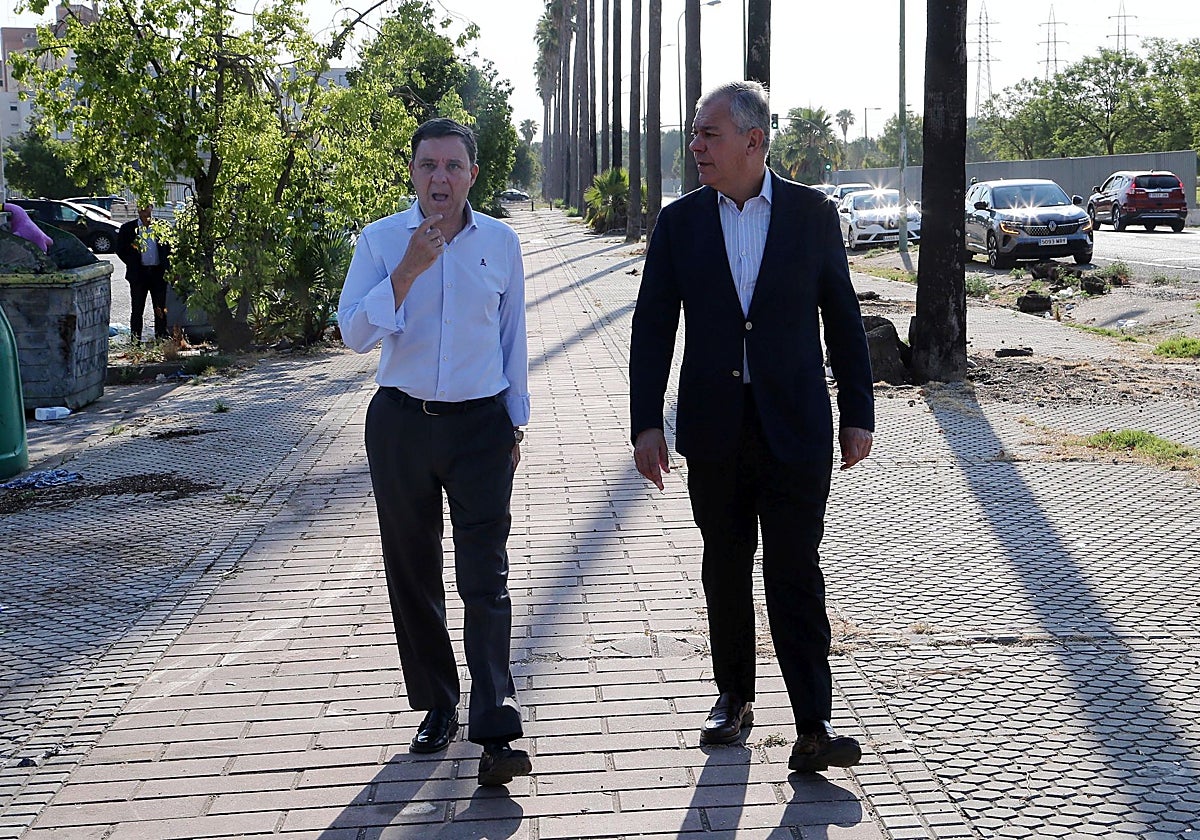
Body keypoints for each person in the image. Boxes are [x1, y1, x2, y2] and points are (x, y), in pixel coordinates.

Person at [629, 81, 875, 774]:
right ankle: (733, 699)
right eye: (695, 134)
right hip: (713, 430)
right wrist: (645, 423)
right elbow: (653, 327)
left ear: (753, 141)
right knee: (726, 565)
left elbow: (843, 317)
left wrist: (859, 411)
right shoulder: (679, 223)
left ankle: (813, 722)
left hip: (795, 427)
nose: (696, 146)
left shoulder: (811, 214)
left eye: (708, 134)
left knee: (796, 570)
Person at [337, 118, 531, 787]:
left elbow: (513, 339)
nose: (439, 179)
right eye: (427, 166)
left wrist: (516, 425)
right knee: (413, 572)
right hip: (401, 424)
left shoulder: (501, 244)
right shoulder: (382, 240)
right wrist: (408, 272)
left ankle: (497, 721)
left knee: (486, 576)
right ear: (412, 174)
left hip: (481, 426)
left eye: (453, 166)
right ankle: (439, 704)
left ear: (473, 175)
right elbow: (353, 334)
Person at [116, 205, 170, 342]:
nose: (143, 211)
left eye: (146, 207)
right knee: (137, 309)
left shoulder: (162, 227)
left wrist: (168, 268)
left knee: (160, 308)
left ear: (152, 208)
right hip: (139, 275)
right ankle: (135, 340)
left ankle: (161, 338)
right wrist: (132, 262)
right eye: (141, 208)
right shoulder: (128, 228)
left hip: (158, 273)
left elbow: (170, 249)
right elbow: (120, 249)